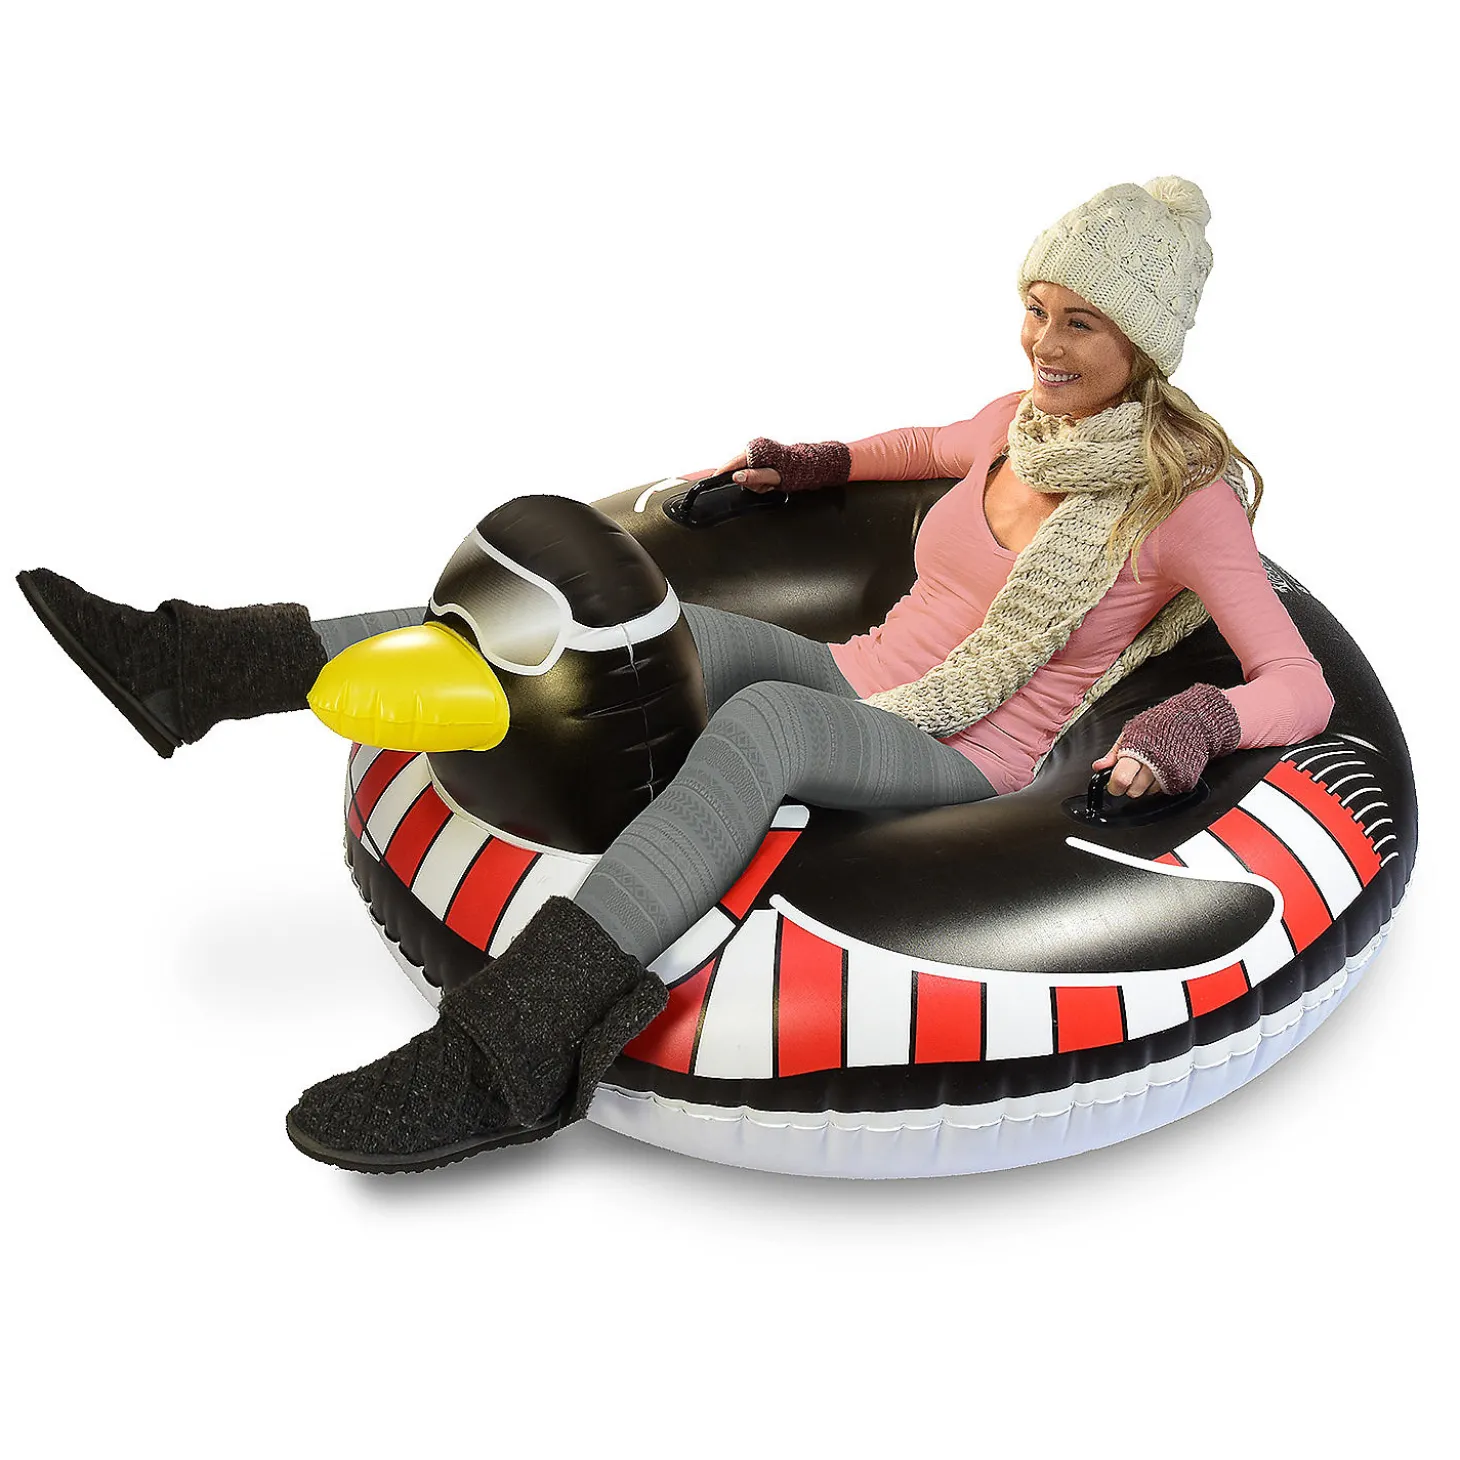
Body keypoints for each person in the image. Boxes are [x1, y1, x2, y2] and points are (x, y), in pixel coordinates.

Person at [16, 176, 1333, 1174]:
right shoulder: (1018, 423)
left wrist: (1196, 721)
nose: (1043, 342)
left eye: (1080, 322)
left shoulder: (1184, 502)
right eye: (1034, 309)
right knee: (617, 622)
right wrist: (810, 465)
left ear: (1145, 344)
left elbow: (1298, 685)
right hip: (858, 666)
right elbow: (922, 443)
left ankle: (510, 1049)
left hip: (966, 747)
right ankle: (198, 665)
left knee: (764, 728)